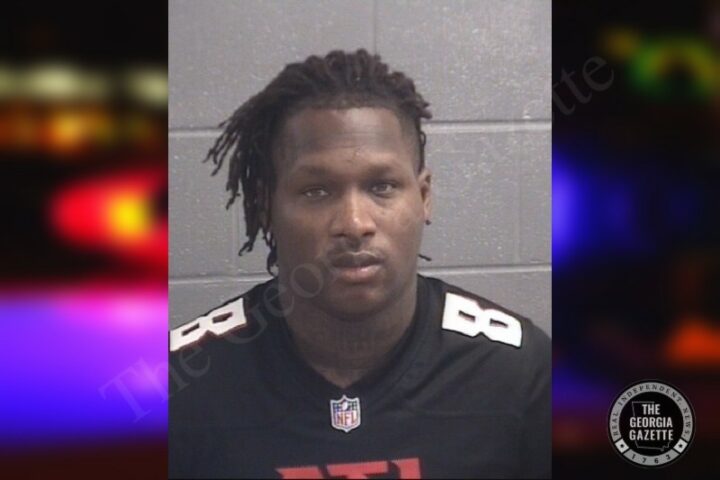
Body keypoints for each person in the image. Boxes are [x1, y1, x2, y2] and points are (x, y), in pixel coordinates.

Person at [169, 49, 550, 479]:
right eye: (316, 191)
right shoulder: (181, 382)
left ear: (424, 197)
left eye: (382, 186)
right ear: (264, 207)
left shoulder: (518, 370)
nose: (354, 224)